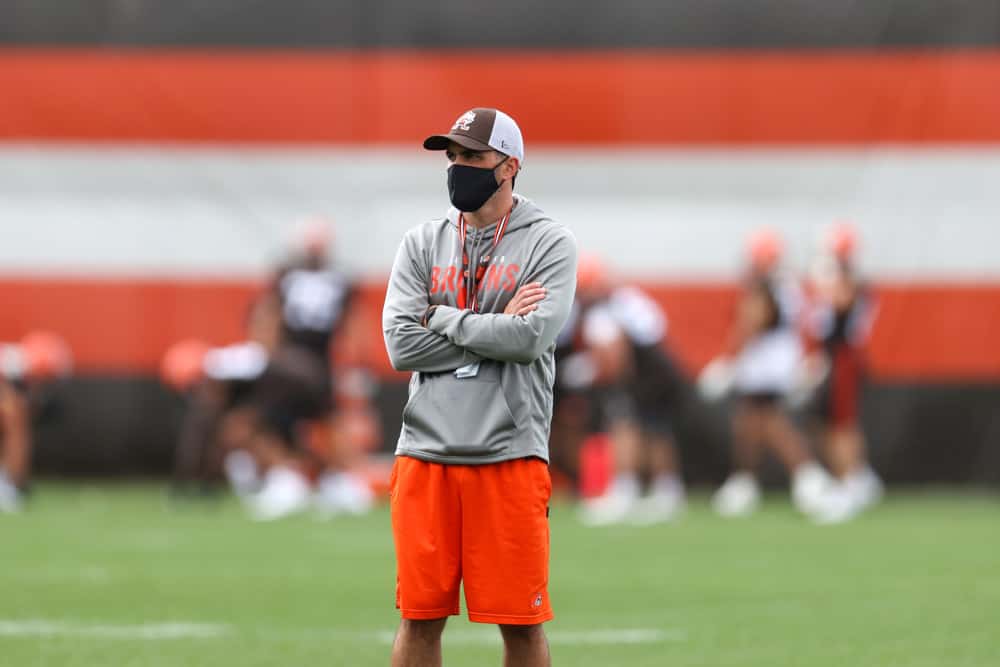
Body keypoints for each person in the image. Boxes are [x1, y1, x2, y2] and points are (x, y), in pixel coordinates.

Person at [383, 107, 577, 667]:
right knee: (418, 619)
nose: (458, 167)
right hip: (425, 451)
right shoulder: (422, 242)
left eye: (473, 157)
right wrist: (490, 324)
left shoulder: (549, 243)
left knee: (520, 624)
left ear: (509, 166)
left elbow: (530, 338)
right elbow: (400, 346)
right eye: (453, 157)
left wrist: (442, 317)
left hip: (509, 453)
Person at [703, 228, 834, 518]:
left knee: (770, 423)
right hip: (776, 364)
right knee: (749, 424)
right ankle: (744, 482)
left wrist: (729, 363)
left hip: (766, 368)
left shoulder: (768, 286)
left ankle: (808, 476)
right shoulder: (788, 286)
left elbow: (751, 323)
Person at [561, 253, 686, 525]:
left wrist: (587, 371)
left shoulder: (605, 311)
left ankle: (624, 490)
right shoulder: (628, 299)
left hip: (640, 377)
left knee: (623, 425)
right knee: (655, 429)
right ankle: (668, 490)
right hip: (661, 372)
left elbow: (614, 362)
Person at [803, 223, 883, 523]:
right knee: (830, 422)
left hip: (845, 357)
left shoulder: (850, 281)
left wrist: (823, 283)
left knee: (841, 425)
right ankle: (857, 478)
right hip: (835, 356)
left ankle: (846, 485)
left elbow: (840, 302)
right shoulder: (846, 278)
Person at [0, 332, 72, 512]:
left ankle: (10, 484)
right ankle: (9, 485)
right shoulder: (10, 368)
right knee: (16, 421)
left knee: (16, 422)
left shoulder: (18, 371)